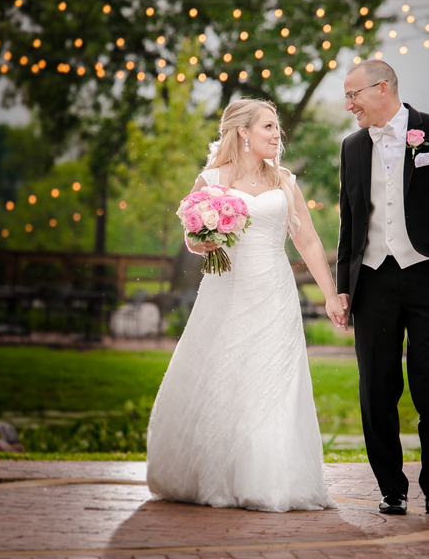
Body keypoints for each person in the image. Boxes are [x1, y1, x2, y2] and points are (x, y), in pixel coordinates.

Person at [146, 98, 346, 513]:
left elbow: (307, 241)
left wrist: (330, 294)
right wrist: (207, 236)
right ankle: (217, 474)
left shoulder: (285, 181)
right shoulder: (211, 180)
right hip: (226, 292)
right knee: (225, 375)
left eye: (277, 129)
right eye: (268, 128)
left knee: (274, 382)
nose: (277, 136)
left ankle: (270, 479)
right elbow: (193, 240)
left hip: (275, 293)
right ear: (243, 132)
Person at [336, 60, 429, 516]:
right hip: (374, 280)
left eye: (354, 95)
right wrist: (344, 288)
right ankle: (391, 489)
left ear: (382, 89)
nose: (348, 105)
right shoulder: (352, 147)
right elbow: (350, 225)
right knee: (376, 388)